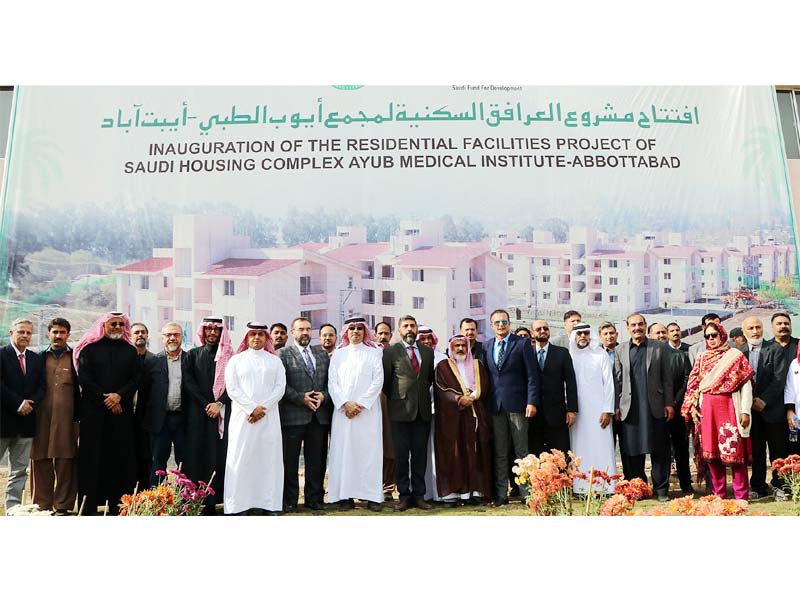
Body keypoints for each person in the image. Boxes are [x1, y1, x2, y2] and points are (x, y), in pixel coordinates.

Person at [74, 312, 140, 515]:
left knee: (119, 460)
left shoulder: (130, 351)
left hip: (121, 415)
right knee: (92, 461)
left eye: (121, 324)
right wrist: (108, 399)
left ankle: (117, 507)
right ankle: (88, 508)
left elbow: (136, 379)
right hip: (93, 415)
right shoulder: (89, 349)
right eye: (113, 323)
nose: (117, 327)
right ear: (104, 326)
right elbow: (85, 379)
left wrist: (119, 396)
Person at [682, 322, 754, 501]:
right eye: (707, 336)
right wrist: (692, 407)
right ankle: (719, 495)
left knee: (736, 456)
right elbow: (692, 386)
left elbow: (746, 386)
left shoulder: (735, 356)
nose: (711, 339)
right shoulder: (701, 357)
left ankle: (741, 496)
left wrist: (745, 411)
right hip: (708, 411)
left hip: (730, 408)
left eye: (714, 335)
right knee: (712, 455)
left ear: (722, 335)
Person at [223, 322, 286, 515]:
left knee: (269, 460)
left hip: (268, 419)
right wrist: (251, 409)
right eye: (253, 334)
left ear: (266, 338)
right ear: (247, 338)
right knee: (241, 460)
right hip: (243, 420)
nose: (256, 337)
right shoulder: (236, 360)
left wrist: (262, 409)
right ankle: (238, 506)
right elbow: (232, 388)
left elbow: (280, 387)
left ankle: (270, 504)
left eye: (260, 334)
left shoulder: (275, 361)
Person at [613, 313, 674, 502]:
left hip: (654, 407)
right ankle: (636, 488)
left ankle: (661, 489)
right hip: (629, 409)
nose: (637, 328)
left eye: (640, 324)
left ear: (645, 325)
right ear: (627, 327)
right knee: (631, 451)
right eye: (633, 325)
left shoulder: (660, 347)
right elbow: (617, 380)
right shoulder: (620, 349)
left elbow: (667, 379)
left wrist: (669, 404)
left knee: (660, 450)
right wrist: (616, 405)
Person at [327, 316, 384, 511]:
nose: (356, 331)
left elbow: (378, 381)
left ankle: (372, 496)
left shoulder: (374, 353)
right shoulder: (338, 355)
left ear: (365, 331)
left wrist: (360, 404)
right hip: (343, 413)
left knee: (370, 454)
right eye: (352, 328)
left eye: (360, 328)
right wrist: (345, 403)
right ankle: (345, 496)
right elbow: (332, 383)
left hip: (367, 413)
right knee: (344, 453)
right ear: (346, 331)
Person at [484, 309, 540, 506]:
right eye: (497, 322)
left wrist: (531, 402)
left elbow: (532, 375)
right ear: (491, 325)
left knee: (521, 451)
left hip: (518, 405)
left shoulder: (522, 343)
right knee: (500, 452)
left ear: (509, 324)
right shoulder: (487, 346)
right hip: (496, 406)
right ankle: (501, 494)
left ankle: (526, 494)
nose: (501, 325)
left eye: (504, 321)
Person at [383, 315, 436, 511]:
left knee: (420, 455)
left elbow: (428, 379)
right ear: (399, 330)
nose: (409, 329)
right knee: (401, 455)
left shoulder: (427, 352)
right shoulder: (390, 353)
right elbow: (387, 384)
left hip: (422, 412)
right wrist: (401, 398)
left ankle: (419, 495)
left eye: (412, 326)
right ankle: (404, 495)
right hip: (399, 412)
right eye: (405, 326)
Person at [279, 317, 332, 512]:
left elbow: (331, 382)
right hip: (293, 417)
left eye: (308, 329)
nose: (305, 333)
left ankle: (315, 499)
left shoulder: (322, 354)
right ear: (292, 332)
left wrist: (324, 396)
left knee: (317, 461)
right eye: (300, 329)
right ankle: (290, 500)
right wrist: (301, 398)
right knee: (290, 461)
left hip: (318, 417)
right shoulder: (283, 354)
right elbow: (281, 386)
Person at [433, 335, 492, 505]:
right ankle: (454, 494)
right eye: (456, 345)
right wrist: (459, 398)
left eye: (463, 345)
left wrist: (472, 397)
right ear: (451, 348)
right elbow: (441, 389)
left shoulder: (477, 364)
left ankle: (474, 493)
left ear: (468, 347)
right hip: (452, 419)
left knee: (476, 452)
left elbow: (485, 385)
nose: (460, 348)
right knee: (456, 454)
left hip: (475, 414)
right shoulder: (443, 366)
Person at [183, 316, 233, 515]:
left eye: (216, 330)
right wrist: (207, 404)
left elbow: (234, 385)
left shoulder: (230, 357)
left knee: (218, 456)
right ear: (202, 332)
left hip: (221, 414)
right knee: (196, 456)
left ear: (222, 333)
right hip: (197, 414)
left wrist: (219, 403)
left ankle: (217, 501)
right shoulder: (192, 354)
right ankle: (194, 500)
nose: (212, 333)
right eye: (208, 330)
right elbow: (188, 382)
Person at [30, 318, 80, 514]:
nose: (58, 336)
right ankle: (42, 505)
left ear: (68, 334)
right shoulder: (39, 358)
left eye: (62, 332)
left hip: (67, 420)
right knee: (40, 459)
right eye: (54, 332)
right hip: (41, 418)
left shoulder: (76, 358)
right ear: (48, 334)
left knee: (66, 461)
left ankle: (63, 506)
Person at [1, 318, 45, 512]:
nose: (25, 335)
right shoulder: (1, 355)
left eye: (28, 332)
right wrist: (18, 404)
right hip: (3, 422)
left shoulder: (36, 359)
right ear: (11, 333)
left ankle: (13, 510)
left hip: (26, 423)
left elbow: (42, 387)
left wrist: (29, 404)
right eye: (21, 332)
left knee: (19, 471)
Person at [750, 313, 796, 500]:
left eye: (786, 323)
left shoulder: (798, 346)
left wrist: (765, 400)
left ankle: (781, 486)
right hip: (756, 410)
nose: (783, 326)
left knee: (780, 451)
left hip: (781, 409)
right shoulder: (766, 347)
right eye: (779, 323)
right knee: (758, 451)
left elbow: (781, 380)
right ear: (772, 327)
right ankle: (758, 486)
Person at [568, 323, 616, 494]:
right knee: (579, 449)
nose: (582, 336)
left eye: (586, 333)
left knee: (601, 447)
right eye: (579, 333)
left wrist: (607, 410)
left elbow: (609, 384)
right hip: (577, 413)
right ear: (574, 336)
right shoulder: (569, 356)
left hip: (599, 412)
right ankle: (580, 487)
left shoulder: (600, 354)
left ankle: (606, 486)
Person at [145, 322, 188, 487]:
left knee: (184, 462)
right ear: (162, 338)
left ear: (181, 337)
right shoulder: (153, 361)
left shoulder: (190, 360)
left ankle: (184, 501)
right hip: (160, 421)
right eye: (168, 335)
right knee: (158, 462)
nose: (172, 338)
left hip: (183, 420)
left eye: (176, 335)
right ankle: (158, 501)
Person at [529, 319, 578, 456]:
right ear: (532, 333)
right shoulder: (527, 354)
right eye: (538, 329)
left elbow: (571, 383)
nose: (542, 331)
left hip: (557, 413)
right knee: (536, 454)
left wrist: (572, 409)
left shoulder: (561, 353)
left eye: (545, 328)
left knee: (560, 454)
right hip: (534, 414)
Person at [417, 325, 447, 503]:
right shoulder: (412, 357)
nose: (427, 341)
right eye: (423, 339)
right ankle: (423, 492)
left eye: (430, 338)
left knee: (437, 451)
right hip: (418, 411)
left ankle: (439, 491)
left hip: (440, 412)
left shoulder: (442, 358)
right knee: (421, 452)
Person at [664, 322, 694, 494]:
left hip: (679, 408)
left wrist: (675, 403)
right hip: (660, 410)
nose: (675, 333)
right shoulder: (658, 354)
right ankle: (662, 485)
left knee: (681, 448)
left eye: (677, 330)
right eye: (671, 331)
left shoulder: (683, 354)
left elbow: (687, 380)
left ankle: (686, 483)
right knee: (662, 450)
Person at [130, 322, 157, 491]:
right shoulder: (126, 358)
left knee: (146, 456)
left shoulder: (154, 360)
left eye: (143, 332)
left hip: (147, 417)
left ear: (147, 336)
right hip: (126, 416)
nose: (140, 335)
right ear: (131, 336)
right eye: (136, 332)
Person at [374, 321, 396, 501]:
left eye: (386, 333)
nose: (383, 336)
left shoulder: (396, 353)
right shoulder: (370, 352)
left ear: (391, 335)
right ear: (374, 335)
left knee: (389, 445)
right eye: (380, 333)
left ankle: (388, 487)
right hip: (370, 403)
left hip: (389, 402)